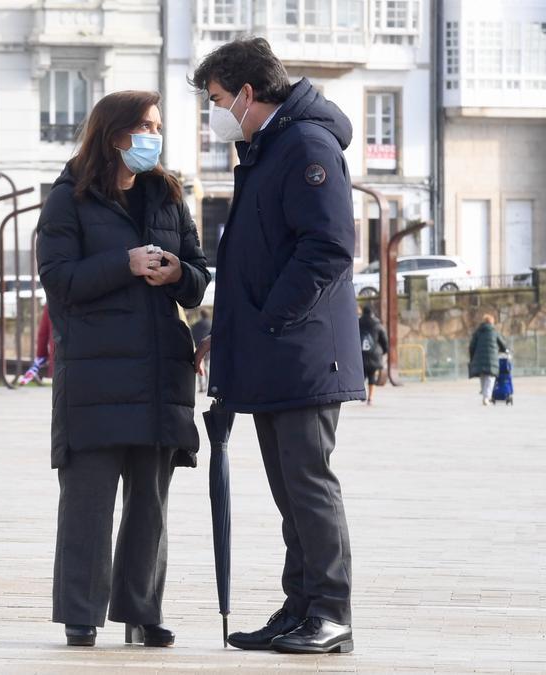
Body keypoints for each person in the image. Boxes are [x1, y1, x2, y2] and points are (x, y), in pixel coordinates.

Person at [191, 37, 363, 655]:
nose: (213, 113)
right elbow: (258, 259)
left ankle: (332, 611)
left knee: (309, 484)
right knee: (289, 490)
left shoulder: (305, 146)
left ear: (246, 93)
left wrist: (271, 321)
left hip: (303, 352)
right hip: (276, 351)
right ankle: (300, 607)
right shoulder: (269, 149)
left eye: (215, 99)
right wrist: (230, 334)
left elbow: (328, 247)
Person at [38, 90, 210, 649]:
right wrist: (124, 263)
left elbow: (201, 274)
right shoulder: (69, 197)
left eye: (158, 126)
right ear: (115, 135)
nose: (154, 137)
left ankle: (142, 609)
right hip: (96, 375)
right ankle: (80, 614)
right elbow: (59, 282)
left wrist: (177, 272)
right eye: (145, 126)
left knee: (151, 504)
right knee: (88, 500)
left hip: (161, 371)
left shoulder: (166, 193)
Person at [468, 313, 508, 406]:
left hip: (479, 359)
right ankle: (486, 398)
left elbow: (471, 346)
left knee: (483, 376)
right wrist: (504, 350)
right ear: (492, 322)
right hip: (491, 359)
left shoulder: (478, 332)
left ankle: (484, 394)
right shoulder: (494, 332)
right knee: (490, 378)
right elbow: (502, 344)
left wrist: (472, 357)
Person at [358, 305, 389, 406]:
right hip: (373, 354)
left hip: (360, 354)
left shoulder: (357, 323)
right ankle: (370, 398)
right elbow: (384, 340)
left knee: (361, 376)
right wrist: (384, 351)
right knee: (371, 375)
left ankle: (362, 394)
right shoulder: (377, 324)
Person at [190, 311, 212, 393]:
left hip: (199, 347)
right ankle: (207, 385)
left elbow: (193, 334)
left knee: (198, 367)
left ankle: (201, 386)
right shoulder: (211, 323)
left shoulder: (196, 325)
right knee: (207, 368)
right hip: (209, 349)